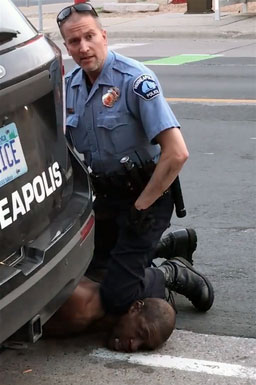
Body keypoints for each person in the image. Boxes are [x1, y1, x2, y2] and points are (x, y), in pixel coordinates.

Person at [56, 3, 214, 317]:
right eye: (74, 41)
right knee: (85, 269)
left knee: (116, 296)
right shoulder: (70, 88)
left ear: (104, 35)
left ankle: (172, 272)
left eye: (90, 36)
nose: (84, 47)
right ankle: (165, 246)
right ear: (66, 46)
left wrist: (141, 207)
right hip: (107, 199)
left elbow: (177, 153)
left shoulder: (135, 80)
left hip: (147, 199)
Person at [44, 276, 176, 353]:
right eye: (140, 333)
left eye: (143, 347)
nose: (134, 346)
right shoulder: (81, 308)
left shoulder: (111, 324)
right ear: (134, 309)